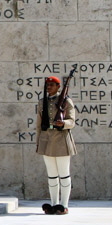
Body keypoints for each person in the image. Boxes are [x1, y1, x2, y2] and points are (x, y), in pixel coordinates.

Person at [35, 75, 76, 215]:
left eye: (52, 85)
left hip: (61, 139)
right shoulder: (42, 102)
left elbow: (72, 120)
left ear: (58, 87)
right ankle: (53, 204)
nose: (49, 87)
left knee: (64, 174)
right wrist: (38, 141)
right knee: (52, 175)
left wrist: (63, 123)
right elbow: (39, 124)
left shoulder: (66, 101)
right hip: (47, 139)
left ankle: (63, 205)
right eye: (48, 85)